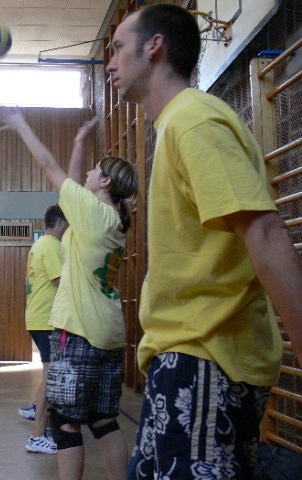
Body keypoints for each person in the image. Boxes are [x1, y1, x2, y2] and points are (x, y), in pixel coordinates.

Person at [105, 4, 302, 479]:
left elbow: (265, 231)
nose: (110, 62)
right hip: (186, 360)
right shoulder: (176, 124)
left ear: (154, 46)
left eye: (117, 48)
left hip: (206, 360)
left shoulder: (193, 121)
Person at [0, 108, 138, 480]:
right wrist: (79, 141)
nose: (86, 172)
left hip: (78, 331)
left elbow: (49, 167)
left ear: (104, 181)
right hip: (109, 333)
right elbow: (73, 181)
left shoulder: (91, 212)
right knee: (104, 421)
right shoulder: (112, 219)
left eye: (94, 169)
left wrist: (21, 124)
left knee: (66, 424)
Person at [21, 204, 69, 455]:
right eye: (68, 223)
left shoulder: (39, 245)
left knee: (48, 376)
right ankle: (37, 436)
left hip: (39, 318)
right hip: (46, 320)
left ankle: (42, 429)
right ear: (60, 222)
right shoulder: (50, 246)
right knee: (50, 378)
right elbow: (62, 282)